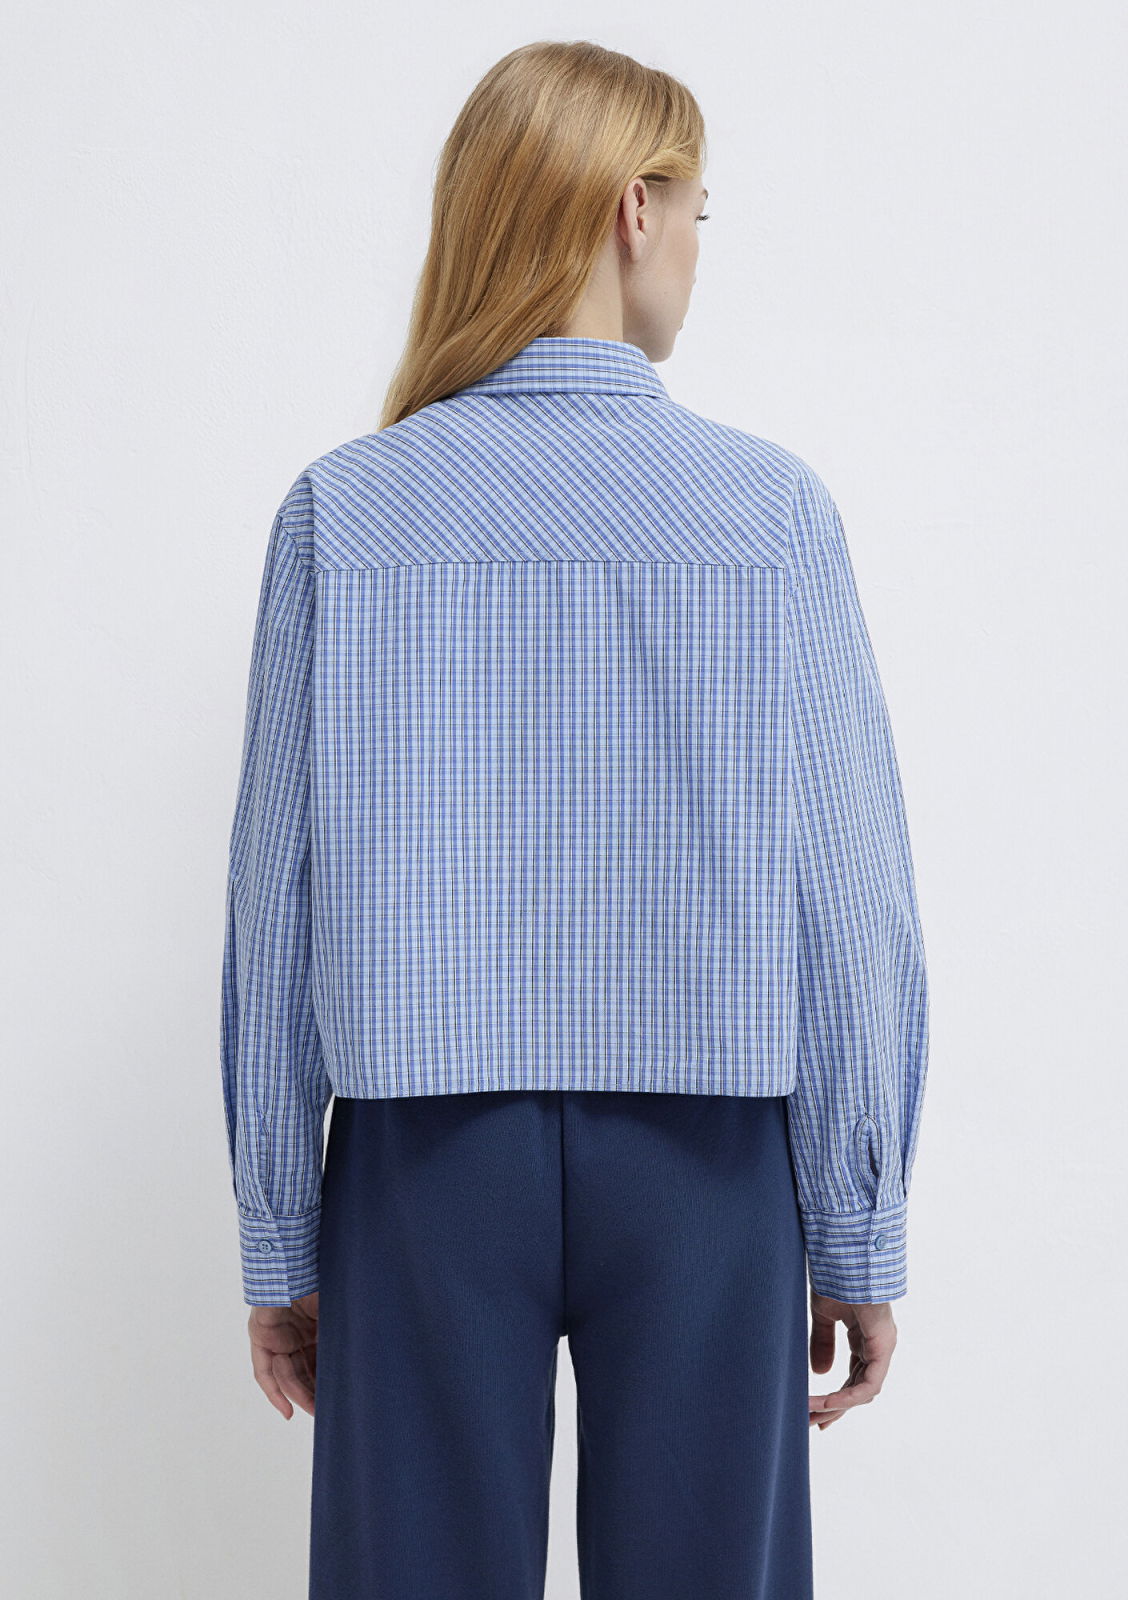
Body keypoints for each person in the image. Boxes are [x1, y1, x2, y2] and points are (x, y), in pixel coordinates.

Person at [219, 38, 929, 1600]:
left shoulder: (344, 509)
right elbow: (853, 902)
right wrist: (857, 1224)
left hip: (421, 1163)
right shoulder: (771, 513)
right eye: (697, 212)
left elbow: (277, 906)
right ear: (632, 210)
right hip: (708, 1164)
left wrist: (282, 1231)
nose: (697, 250)